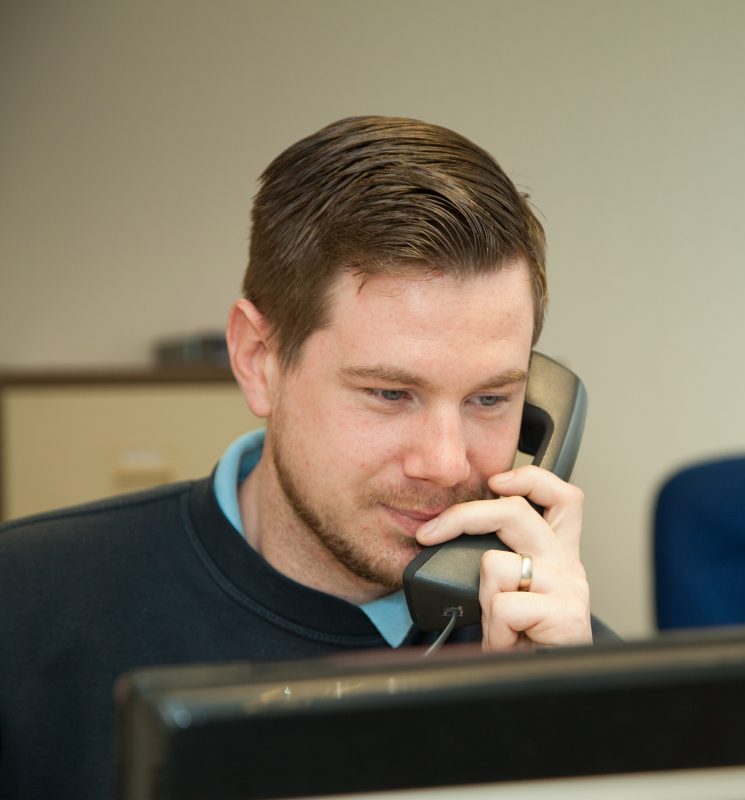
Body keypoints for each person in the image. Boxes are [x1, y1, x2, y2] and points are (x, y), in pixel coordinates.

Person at [0, 116, 610, 798]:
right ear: (258, 360)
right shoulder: (22, 608)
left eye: (490, 399)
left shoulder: (560, 656)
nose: (445, 464)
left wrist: (566, 733)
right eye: (390, 393)